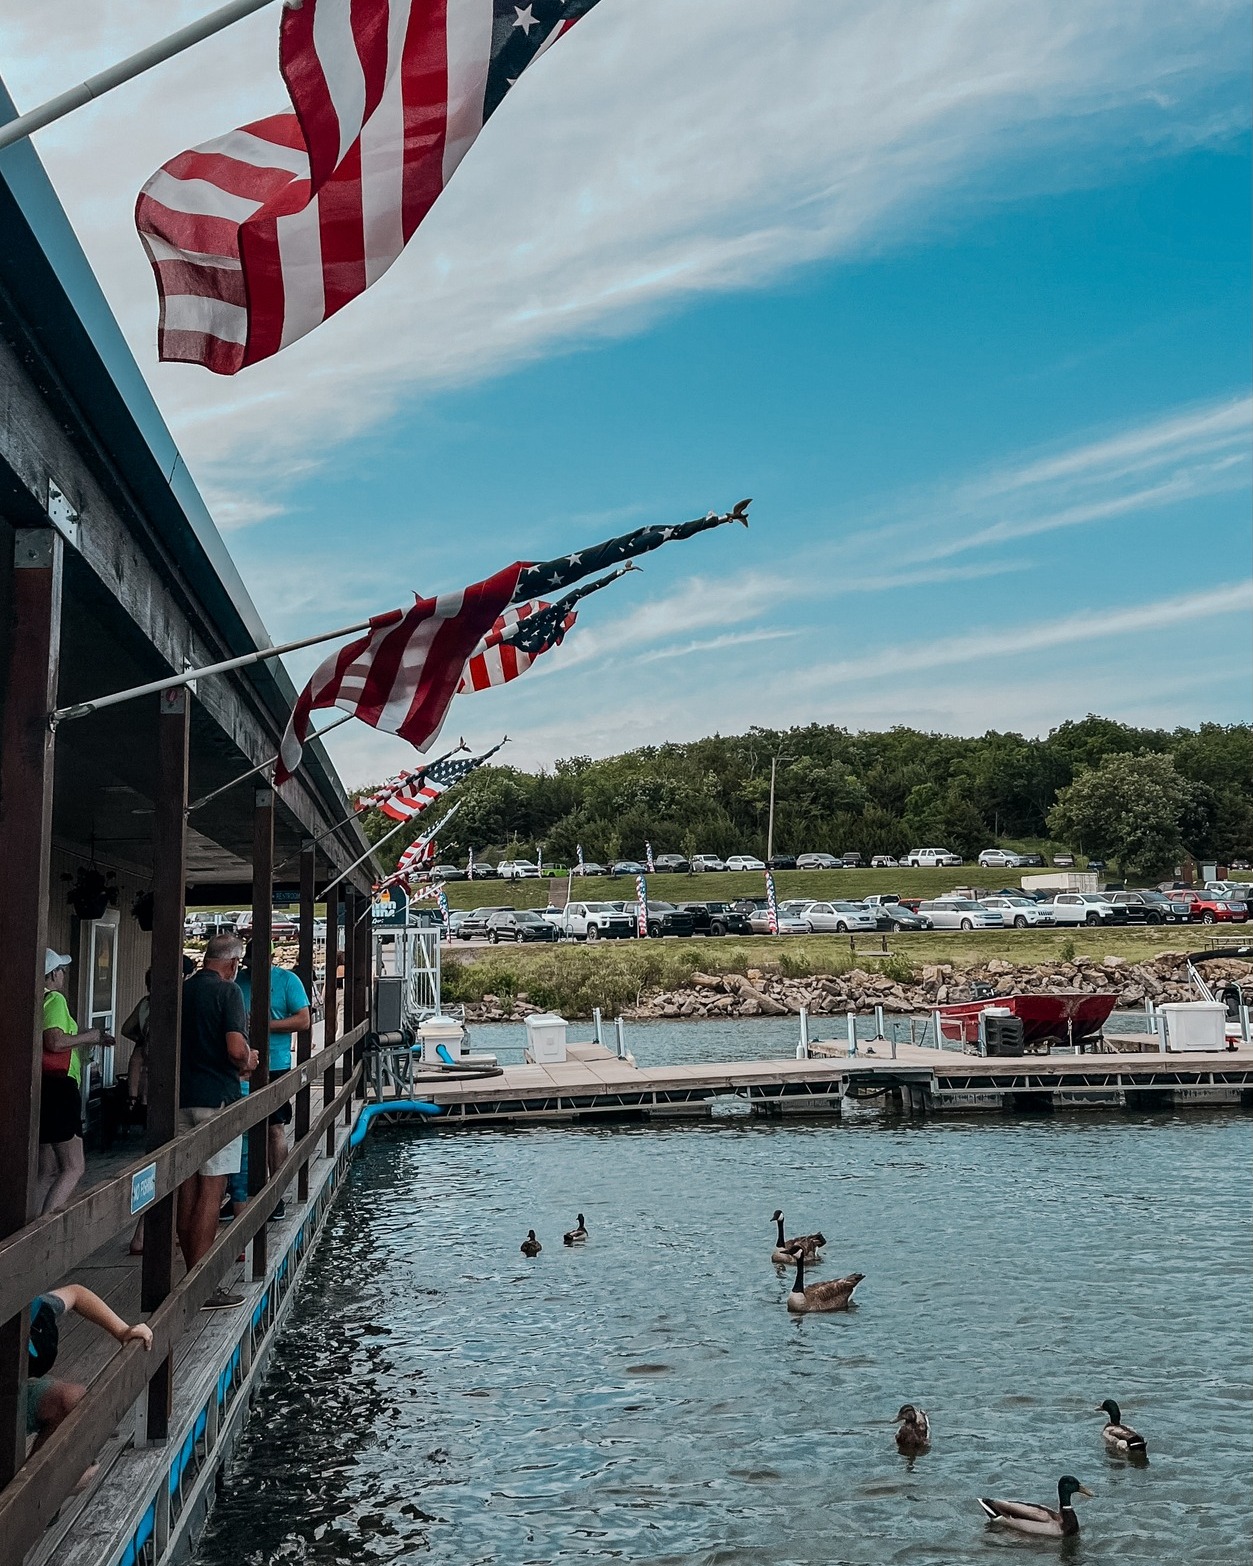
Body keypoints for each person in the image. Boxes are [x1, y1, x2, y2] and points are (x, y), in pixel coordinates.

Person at [177, 935, 257, 1309]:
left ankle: (188, 1277)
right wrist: (249, 1061)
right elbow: (235, 1049)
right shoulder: (229, 994)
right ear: (233, 964)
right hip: (218, 1100)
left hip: (180, 1099)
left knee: (186, 1188)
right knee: (213, 1189)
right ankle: (203, 1285)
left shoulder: (182, 990)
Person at [26, 1285, 152, 1455]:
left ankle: (42, 1478)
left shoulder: (37, 1310)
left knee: (72, 1401)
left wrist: (122, 1330)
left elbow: (76, 1293)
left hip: (16, 1390)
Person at [236, 943, 310, 1223]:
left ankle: (276, 1194)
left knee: (273, 1127)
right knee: (236, 1128)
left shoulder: (287, 980)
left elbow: (303, 1020)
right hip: (239, 1064)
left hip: (275, 1064)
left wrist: (265, 1025)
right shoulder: (238, 981)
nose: (251, 967)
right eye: (248, 962)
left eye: (256, 962)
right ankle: (238, 1196)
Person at [38, 951, 114, 1215]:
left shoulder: (35, 999)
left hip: (42, 1087)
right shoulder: (55, 999)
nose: (63, 974)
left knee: (46, 1170)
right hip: (60, 1089)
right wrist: (90, 1036)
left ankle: (26, 1231)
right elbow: (55, 1041)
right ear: (51, 974)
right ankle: (44, 1232)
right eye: (60, 969)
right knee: (73, 1167)